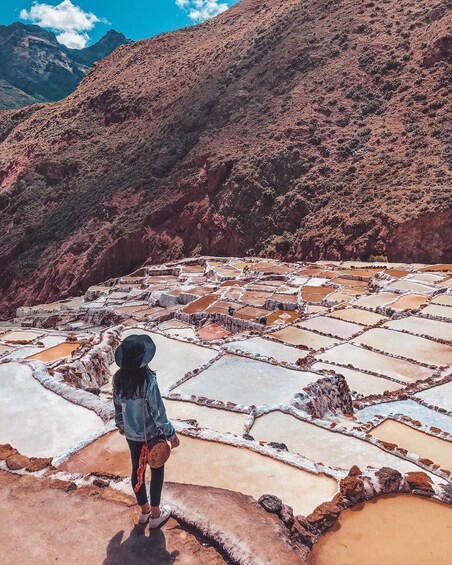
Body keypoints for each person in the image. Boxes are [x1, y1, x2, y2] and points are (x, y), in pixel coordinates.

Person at [113, 334, 180, 528]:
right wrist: (171, 434)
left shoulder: (118, 379)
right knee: (156, 471)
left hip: (132, 435)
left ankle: (144, 511)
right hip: (152, 435)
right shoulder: (148, 381)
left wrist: (121, 424)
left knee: (138, 469)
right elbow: (158, 413)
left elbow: (117, 406)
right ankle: (156, 515)